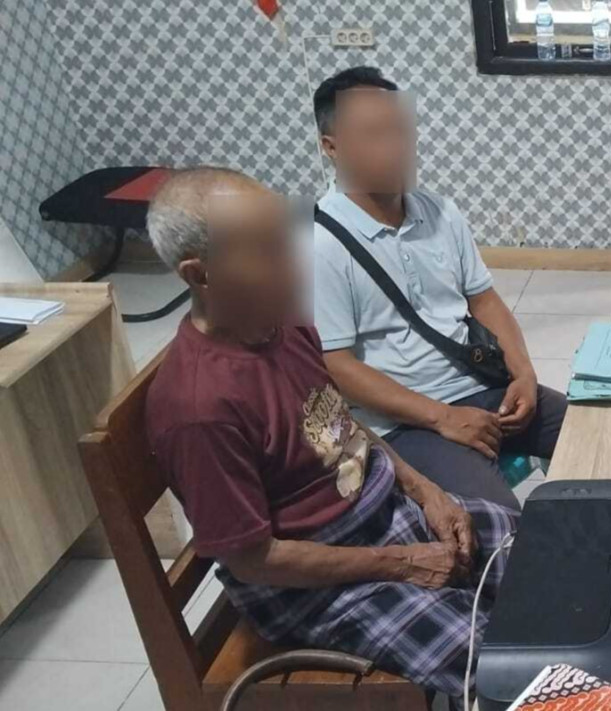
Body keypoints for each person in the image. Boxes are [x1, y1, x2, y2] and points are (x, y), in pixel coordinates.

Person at [144, 167, 517, 696]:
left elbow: (339, 425)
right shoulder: (199, 408)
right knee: (506, 666)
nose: (297, 268)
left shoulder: (283, 325)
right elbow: (253, 559)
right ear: (200, 275)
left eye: (288, 243)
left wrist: (427, 492)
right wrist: (402, 563)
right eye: (268, 253)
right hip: (316, 584)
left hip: (385, 515)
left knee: (554, 557)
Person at [309, 66, 566, 511]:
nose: (396, 148)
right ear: (331, 147)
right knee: (501, 526)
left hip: (482, 384)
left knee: (605, 437)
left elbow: (484, 300)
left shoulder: (440, 212)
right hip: (406, 422)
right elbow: (336, 365)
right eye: (374, 135)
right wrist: (443, 417)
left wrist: (524, 374)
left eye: (401, 131)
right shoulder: (318, 243)